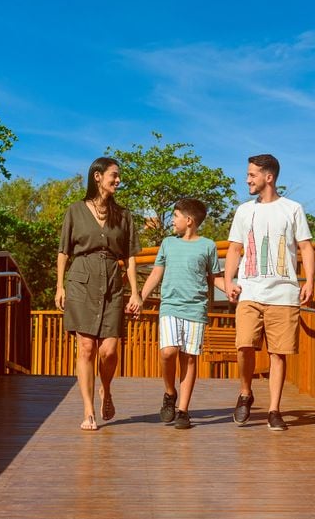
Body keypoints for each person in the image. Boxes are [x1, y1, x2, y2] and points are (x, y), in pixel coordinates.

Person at [223, 153, 315, 431]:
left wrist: (309, 281)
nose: (247, 179)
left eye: (252, 175)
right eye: (248, 174)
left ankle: (275, 410)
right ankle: (245, 392)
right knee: (244, 346)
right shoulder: (244, 211)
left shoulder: (293, 209)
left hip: (284, 293)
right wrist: (228, 281)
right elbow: (234, 249)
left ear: (269, 177)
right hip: (250, 291)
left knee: (278, 353)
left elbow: (306, 247)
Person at [56, 157, 142, 431]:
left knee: (110, 349)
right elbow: (63, 252)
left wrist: (136, 293)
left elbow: (129, 257)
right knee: (86, 347)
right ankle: (88, 411)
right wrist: (60, 286)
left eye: (118, 177)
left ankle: (106, 388)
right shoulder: (75, 210)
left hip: (112, 283)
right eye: (113, 176)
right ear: (97, 176)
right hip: (82, 279)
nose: (118, 180)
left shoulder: (124, 215)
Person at [139, 198, 225, 430]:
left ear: (189, 221)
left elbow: (214, 277)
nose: (172, 221)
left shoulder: (208, 246)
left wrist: (231, 288)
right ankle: (170, 393)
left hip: (195, 309)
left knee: (188, 357)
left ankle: (184, 411)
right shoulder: (168, 243)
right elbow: (156, 273)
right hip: (170, 306)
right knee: (168, 352)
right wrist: (140, 296)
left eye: (175, 216)